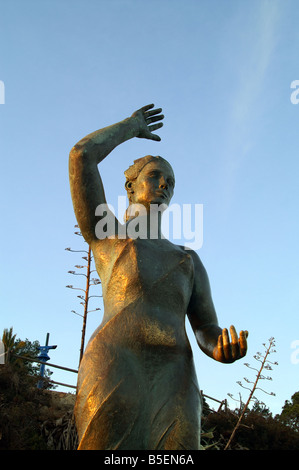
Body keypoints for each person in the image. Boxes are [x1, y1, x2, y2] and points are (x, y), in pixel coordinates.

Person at [69, 104, 248, 450]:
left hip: (175, 376)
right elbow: (81, 157)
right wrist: (130, 127)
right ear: (131, 186)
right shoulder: (108, 238)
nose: (165, 183)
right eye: (155, 175)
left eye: (171, 182)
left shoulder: (187, 260)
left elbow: (206, 329)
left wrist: (221, 348)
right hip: (114, 364)